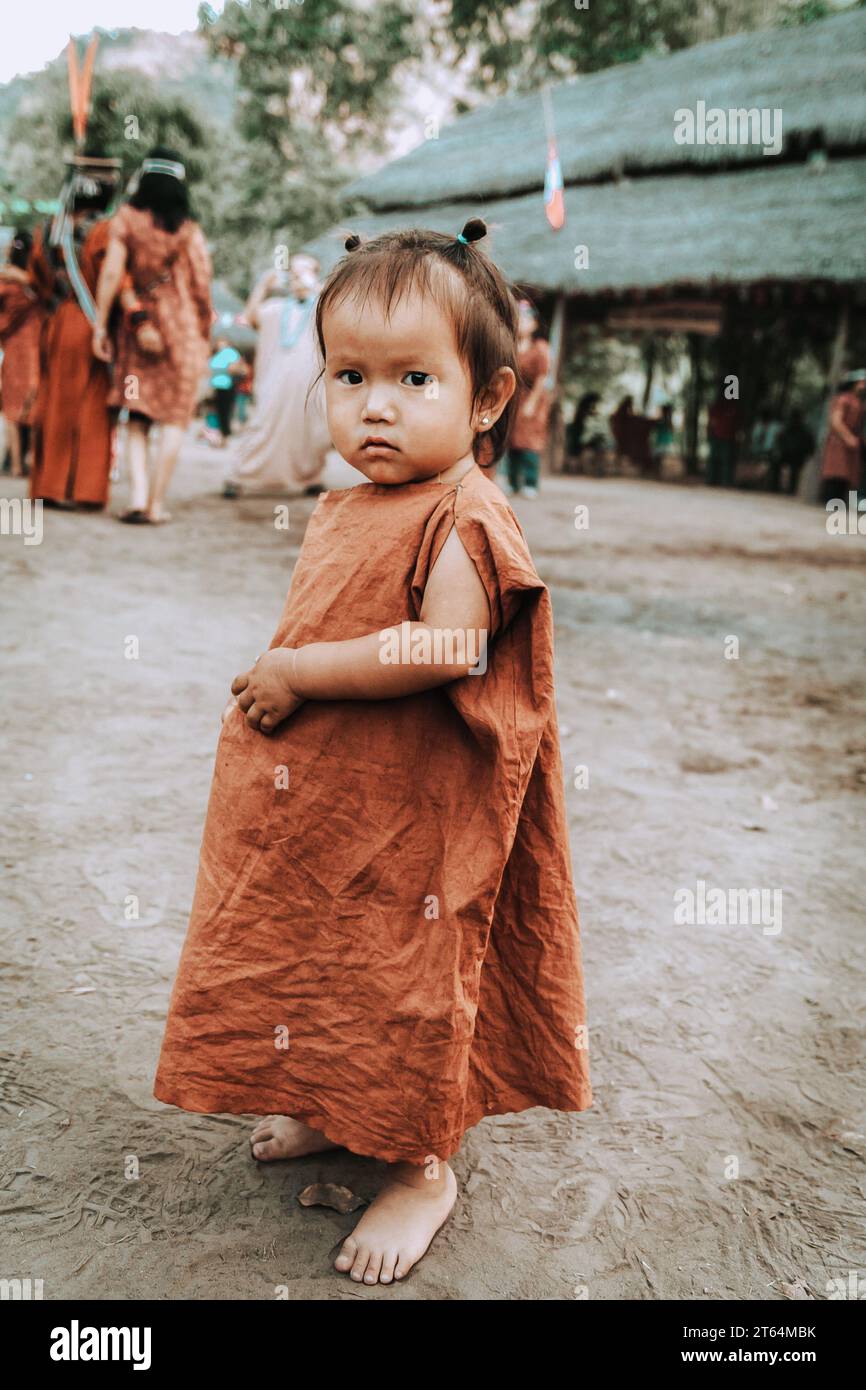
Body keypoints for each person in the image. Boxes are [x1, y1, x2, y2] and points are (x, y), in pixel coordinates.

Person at [153, 217, 592, 1287]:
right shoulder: (354, 500)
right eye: (349, 375)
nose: (374, 404)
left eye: (411, 378)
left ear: (487, 398)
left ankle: (420, 1166)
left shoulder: (466, 514)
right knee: (321, 951)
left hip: (425, 822)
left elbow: (442, 647)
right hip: (340, 809)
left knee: (407, 980)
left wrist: (297, 672)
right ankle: (331, 1107)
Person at [93, 147, 213, 524]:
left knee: (139, 417)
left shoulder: (126, 220)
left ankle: (138, 498)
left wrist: (100, 324)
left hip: (139, 333)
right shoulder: (189, 230)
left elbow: (112, 275)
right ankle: (157, 505)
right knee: (175, 421)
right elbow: (201, 285)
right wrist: (204, 331)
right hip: (184, 333)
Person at [28, 154, 121, 509]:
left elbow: (38, 280)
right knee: (93, 406)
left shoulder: (50, 229)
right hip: (94, 324)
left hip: (56, 323)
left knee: (54, 403)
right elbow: (116, 279)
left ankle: (49, 485)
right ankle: (85, 490)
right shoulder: (107, 231)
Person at [222, 254, 332, 498]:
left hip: (309, 385)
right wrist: (263, 286)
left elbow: (342, 302)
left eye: (305, 271)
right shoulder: (276, 308)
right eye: (294, 272)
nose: (298, 277)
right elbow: (250, 317)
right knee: (261, 425)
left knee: (311, 432)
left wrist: (315, 287)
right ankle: (239, 476)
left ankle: (310, 477)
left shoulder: (322, 307)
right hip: (274, 382)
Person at [0, 229, 44, 478]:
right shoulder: (38, 286)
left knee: (12, 410)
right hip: (39, 348)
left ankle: (16, 463)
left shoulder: (7, 285)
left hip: (16, 352)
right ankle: (36, 463)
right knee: (35, 406)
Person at [501, 298, 551, 498]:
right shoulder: (510, 346)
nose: (522, 323)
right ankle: (513, 482)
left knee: (529, 441)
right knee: (511, 439)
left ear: (535, 324)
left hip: (533, 399)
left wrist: (532, 403)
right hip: (514, 397)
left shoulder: (540, 348)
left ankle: (531, 482)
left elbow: (542, 378)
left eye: (527, 320)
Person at [819, 371, 865, 506]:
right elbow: (836, 421)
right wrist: (848, 437)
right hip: (839, 443)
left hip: (852, 444)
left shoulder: (858, 402)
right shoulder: (843, 399)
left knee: (847, 477)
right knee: (836, 475)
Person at [769, 407, 814, 496]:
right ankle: (774, 487)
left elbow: (810, 446)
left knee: (795, 469)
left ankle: (791, 489)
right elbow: (778, 442)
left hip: (798, 456)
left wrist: (806, 455)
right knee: (776, 464)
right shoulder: (785, 429)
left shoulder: (805, 432)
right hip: (785, 454)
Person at [207, 334, 243, 445]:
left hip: (226, 386)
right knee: (214, 413)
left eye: (222, 342)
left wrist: (222, 370)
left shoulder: (231, 353)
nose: (220, 344)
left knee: (224, 412)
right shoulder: (216, 354)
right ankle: (215, 435)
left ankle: (224, 436)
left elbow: (235, 368)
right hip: (215, 387)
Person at [706, 390, 741, 487]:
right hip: (717, 436)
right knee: (714, 460)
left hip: (728, 438)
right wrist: (709, 434)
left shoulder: (733, 407)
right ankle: (712, 480)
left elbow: (736, 424)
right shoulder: (717, 407)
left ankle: (726, 482)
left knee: (726, 461)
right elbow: (711, 422)